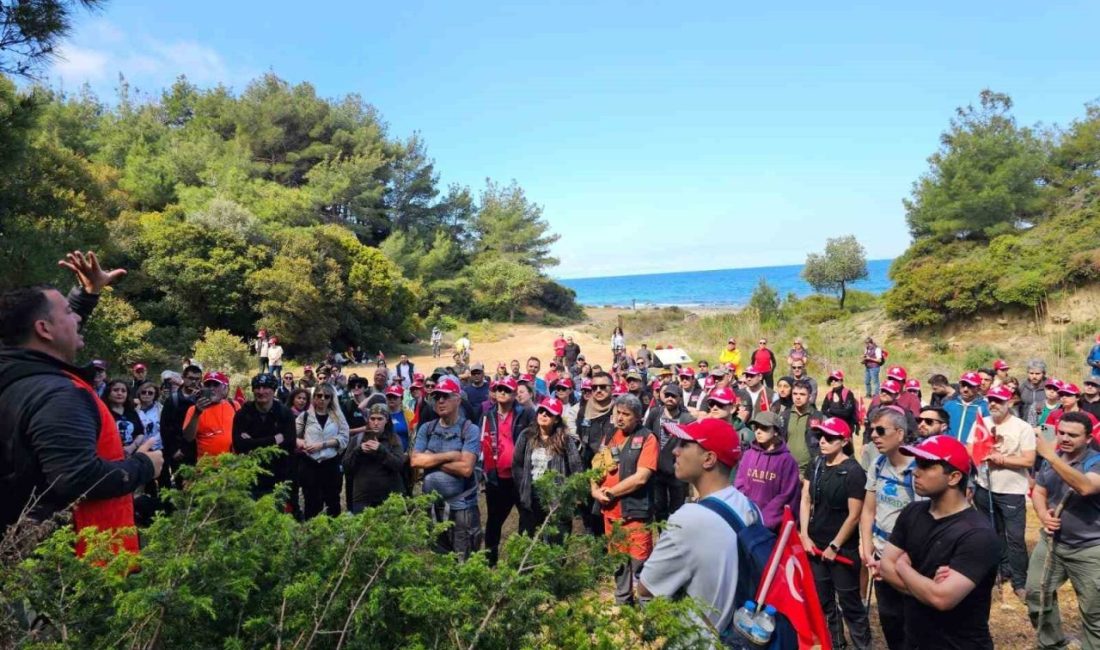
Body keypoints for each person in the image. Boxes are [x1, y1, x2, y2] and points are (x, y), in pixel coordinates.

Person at [0, 250, 162, 553]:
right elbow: (76, 479)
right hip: (67, 564)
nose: (75, 317)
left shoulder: (14, 368)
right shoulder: (58, 396)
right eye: (67, 312)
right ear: (44, 329)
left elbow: (47, 342)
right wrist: (143, 466)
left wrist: (87, 295)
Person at [637, 418, 756, 638]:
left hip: (697, 640)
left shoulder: (688, 518)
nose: (675, 451)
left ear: (709, 459)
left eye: (684, 444)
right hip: (739, 636)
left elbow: (647, 587)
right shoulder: (749, 506)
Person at [878, 435, 999, 649]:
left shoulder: (978, 534)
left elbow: (941, 599)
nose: (915, 471)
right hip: (914, 639)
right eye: (916, 464)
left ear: (953, 477)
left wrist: (903, 566)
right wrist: (926, 587)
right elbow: (885, 568)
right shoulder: (912, 512)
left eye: (926, 466)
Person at [1026, 410, 1100, 649]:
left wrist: (1050, 455)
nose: (1065, 438)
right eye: (1062, 433)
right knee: (1036, 595)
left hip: (1090, 550)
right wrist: (1042, 514)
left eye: (1073, 435)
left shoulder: (1095, 462)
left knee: (1094, 612)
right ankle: (1051, 643)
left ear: (1088, 439)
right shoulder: (1053, 457)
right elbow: (1039, 490)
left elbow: (1086, 486)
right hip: (1052, 544)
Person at [799, 417, 871, 650]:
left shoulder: (854, 472)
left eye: (829, 438)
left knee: (850, 605)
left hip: (842, 550)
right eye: (821, 436)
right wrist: (805, 535)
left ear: (844, 441)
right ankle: (837, 644)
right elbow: (806, 498)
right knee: (824, 601)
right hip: (815, 547)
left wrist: (835, 546)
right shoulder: (817, 464)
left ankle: (863, 646)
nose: (822, 441)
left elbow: (854, 514)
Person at [860, 406, 925, 650]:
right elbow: (868, 511)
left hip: (907, 562)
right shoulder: (877, 465)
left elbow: (923, 525)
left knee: (913, 624)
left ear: (899, 433)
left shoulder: (918, 469)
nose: (874, 435)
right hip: (878, 557)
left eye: (880, 430)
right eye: (871, 429)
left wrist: (895, 560)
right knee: (890, 620)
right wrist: (867, 550)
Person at [591, 393, 658, 605]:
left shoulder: (648, 438)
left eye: (626, 414)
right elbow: (597, 465)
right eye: (617, 412)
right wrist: (594, 489)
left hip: (636, 512)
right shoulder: (610, 434)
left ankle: (646, 606)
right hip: (610, 512)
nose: (620, 418)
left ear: (637, 417)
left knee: (640, 562)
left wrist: (610, 492)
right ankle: (623, 602)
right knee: (618, 561)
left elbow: (641, 478)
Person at [971, 385, 1035, 602]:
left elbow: (1028, 460)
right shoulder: (983, 423)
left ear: (1009, 402)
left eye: (998, 400)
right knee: (991, 533)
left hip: (1011, 491)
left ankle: (1020, 582)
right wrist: (981, 454)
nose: (993, 404)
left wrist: (1003, 460)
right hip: (984, 486)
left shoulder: (1022, 427)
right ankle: (997, 571)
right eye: (990, 399)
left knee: (1015, 537)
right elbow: (971, 448)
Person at [411, 376, 482, 558]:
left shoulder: (469, 429)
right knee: (440, 561)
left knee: (463, 560)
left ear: (457, 399)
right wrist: (450, 456)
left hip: (462, 509)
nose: (440, 401)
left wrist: (431, 459)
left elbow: (466, 469)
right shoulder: (427, 428)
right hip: (434, 508)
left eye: (445, 396)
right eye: (436, 397)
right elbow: (415, 462)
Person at [512, 397, 583, 541]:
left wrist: (569, 495)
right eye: (541, 411)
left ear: (556, 419)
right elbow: (517, 464)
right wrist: (522, 486)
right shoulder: (526, 435)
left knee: (556, 541)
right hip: (531, 498)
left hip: (556, 499)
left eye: (549, 413)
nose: (543, 415)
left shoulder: (566, 440)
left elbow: (576, 468)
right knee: (528, 539)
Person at [481, 375, 533, 565]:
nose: (502, 392)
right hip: (496, 478)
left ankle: (522, 562)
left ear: (514, 394)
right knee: (494, 521)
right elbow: (482, 441)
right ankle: (489, 562)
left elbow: (533, 439)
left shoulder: (525, 413)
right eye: (499, 389)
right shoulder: (488, 414)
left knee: (527, 518)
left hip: (519, 478)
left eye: (507, 390)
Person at [232, 373, 297, 498]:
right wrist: (274, 439)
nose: (261, 391)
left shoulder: (285, 414)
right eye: (257, 387)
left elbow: (289, 445)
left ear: (273, 390)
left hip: (280, 476)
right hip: (251, 477)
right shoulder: (242, 414)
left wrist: (252, 442)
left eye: (266, 387)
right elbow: (239, 446)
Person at [734, 410, 801, 530]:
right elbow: (739, 484)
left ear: (776, 431)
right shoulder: (748, 454)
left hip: (771, 527)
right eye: (756, 427)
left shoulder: (787, 460)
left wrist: (764, 520)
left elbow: (786, 496)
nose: (758, 431)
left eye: (764, 428)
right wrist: (746, 512)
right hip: (745, 519)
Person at [295, 383, 349, 518]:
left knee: (333, 501)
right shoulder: (305, 416)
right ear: (314, 398)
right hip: (310, 464)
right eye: (319, 396)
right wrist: (301, 442)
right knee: (311, 501)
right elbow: (292, 435)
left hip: (330, 463)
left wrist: (323, 445)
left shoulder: (337, 416)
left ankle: (334, 531)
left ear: (331, 399)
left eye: (326, 396)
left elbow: (344, 437)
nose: (322, 399)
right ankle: (312, 533)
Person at [643, 383, 695, 522]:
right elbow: (646, 434)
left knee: (677, 508)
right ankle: (662, 536)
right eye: (667, 395)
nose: (670, 398)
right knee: (659, 507)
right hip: (657, 469)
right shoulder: (655, 413)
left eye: (674, 396)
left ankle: (675, 537)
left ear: (679, 399)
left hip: (677, 471)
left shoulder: (687, 419)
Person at [342, 403, 406, 512]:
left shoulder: (394, 440)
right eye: (372, 419)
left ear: (386, 420)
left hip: (390, 498)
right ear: (368, 420)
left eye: (380, 419)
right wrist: (358, 451)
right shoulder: (357, 440)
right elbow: (346, 467)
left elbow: (399, 465)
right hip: (362, 498)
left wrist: (381, 450)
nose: (376, 423)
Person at [576, 371, 618, 536]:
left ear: (612, 388)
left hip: (612, 467)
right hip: (589, 467)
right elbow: (581, 435)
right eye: (594, 387)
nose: (598, 390)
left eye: (603, 387)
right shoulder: (583, 411)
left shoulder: (619, 410)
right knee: (589, 510)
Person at [182, 371, 239, 459]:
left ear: (224, 388)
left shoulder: (234, 405)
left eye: (215, 385)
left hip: (232, 465)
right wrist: (197, 414)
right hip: (206, 468)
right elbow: (188, 437)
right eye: (208, 385)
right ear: (203, 388)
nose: (211, 388)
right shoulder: (194, 409)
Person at [781, 380, 824, 473]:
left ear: (810, 396)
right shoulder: (784, 416)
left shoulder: (818, 417)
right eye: (795, 394)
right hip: (786, 468)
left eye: (802, 394)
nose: (798, 397)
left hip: (809, 470)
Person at [943, 371, 990, 443]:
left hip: (971, 450)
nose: (965, 389)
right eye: (963, 385)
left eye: (970, 386)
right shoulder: (949, 405)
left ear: (978, 387)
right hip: (949, 448)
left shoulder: (985, 407)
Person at [821, 369, 859, 434]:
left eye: (836, 379)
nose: (833, 381)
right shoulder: (829, 395)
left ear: (841, 380)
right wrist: (837, 413)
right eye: (831, 379)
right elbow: (823, 411)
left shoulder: (848, 393)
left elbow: (847, 413)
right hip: (832, 426)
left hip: (846, 427)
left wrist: (831, 411)